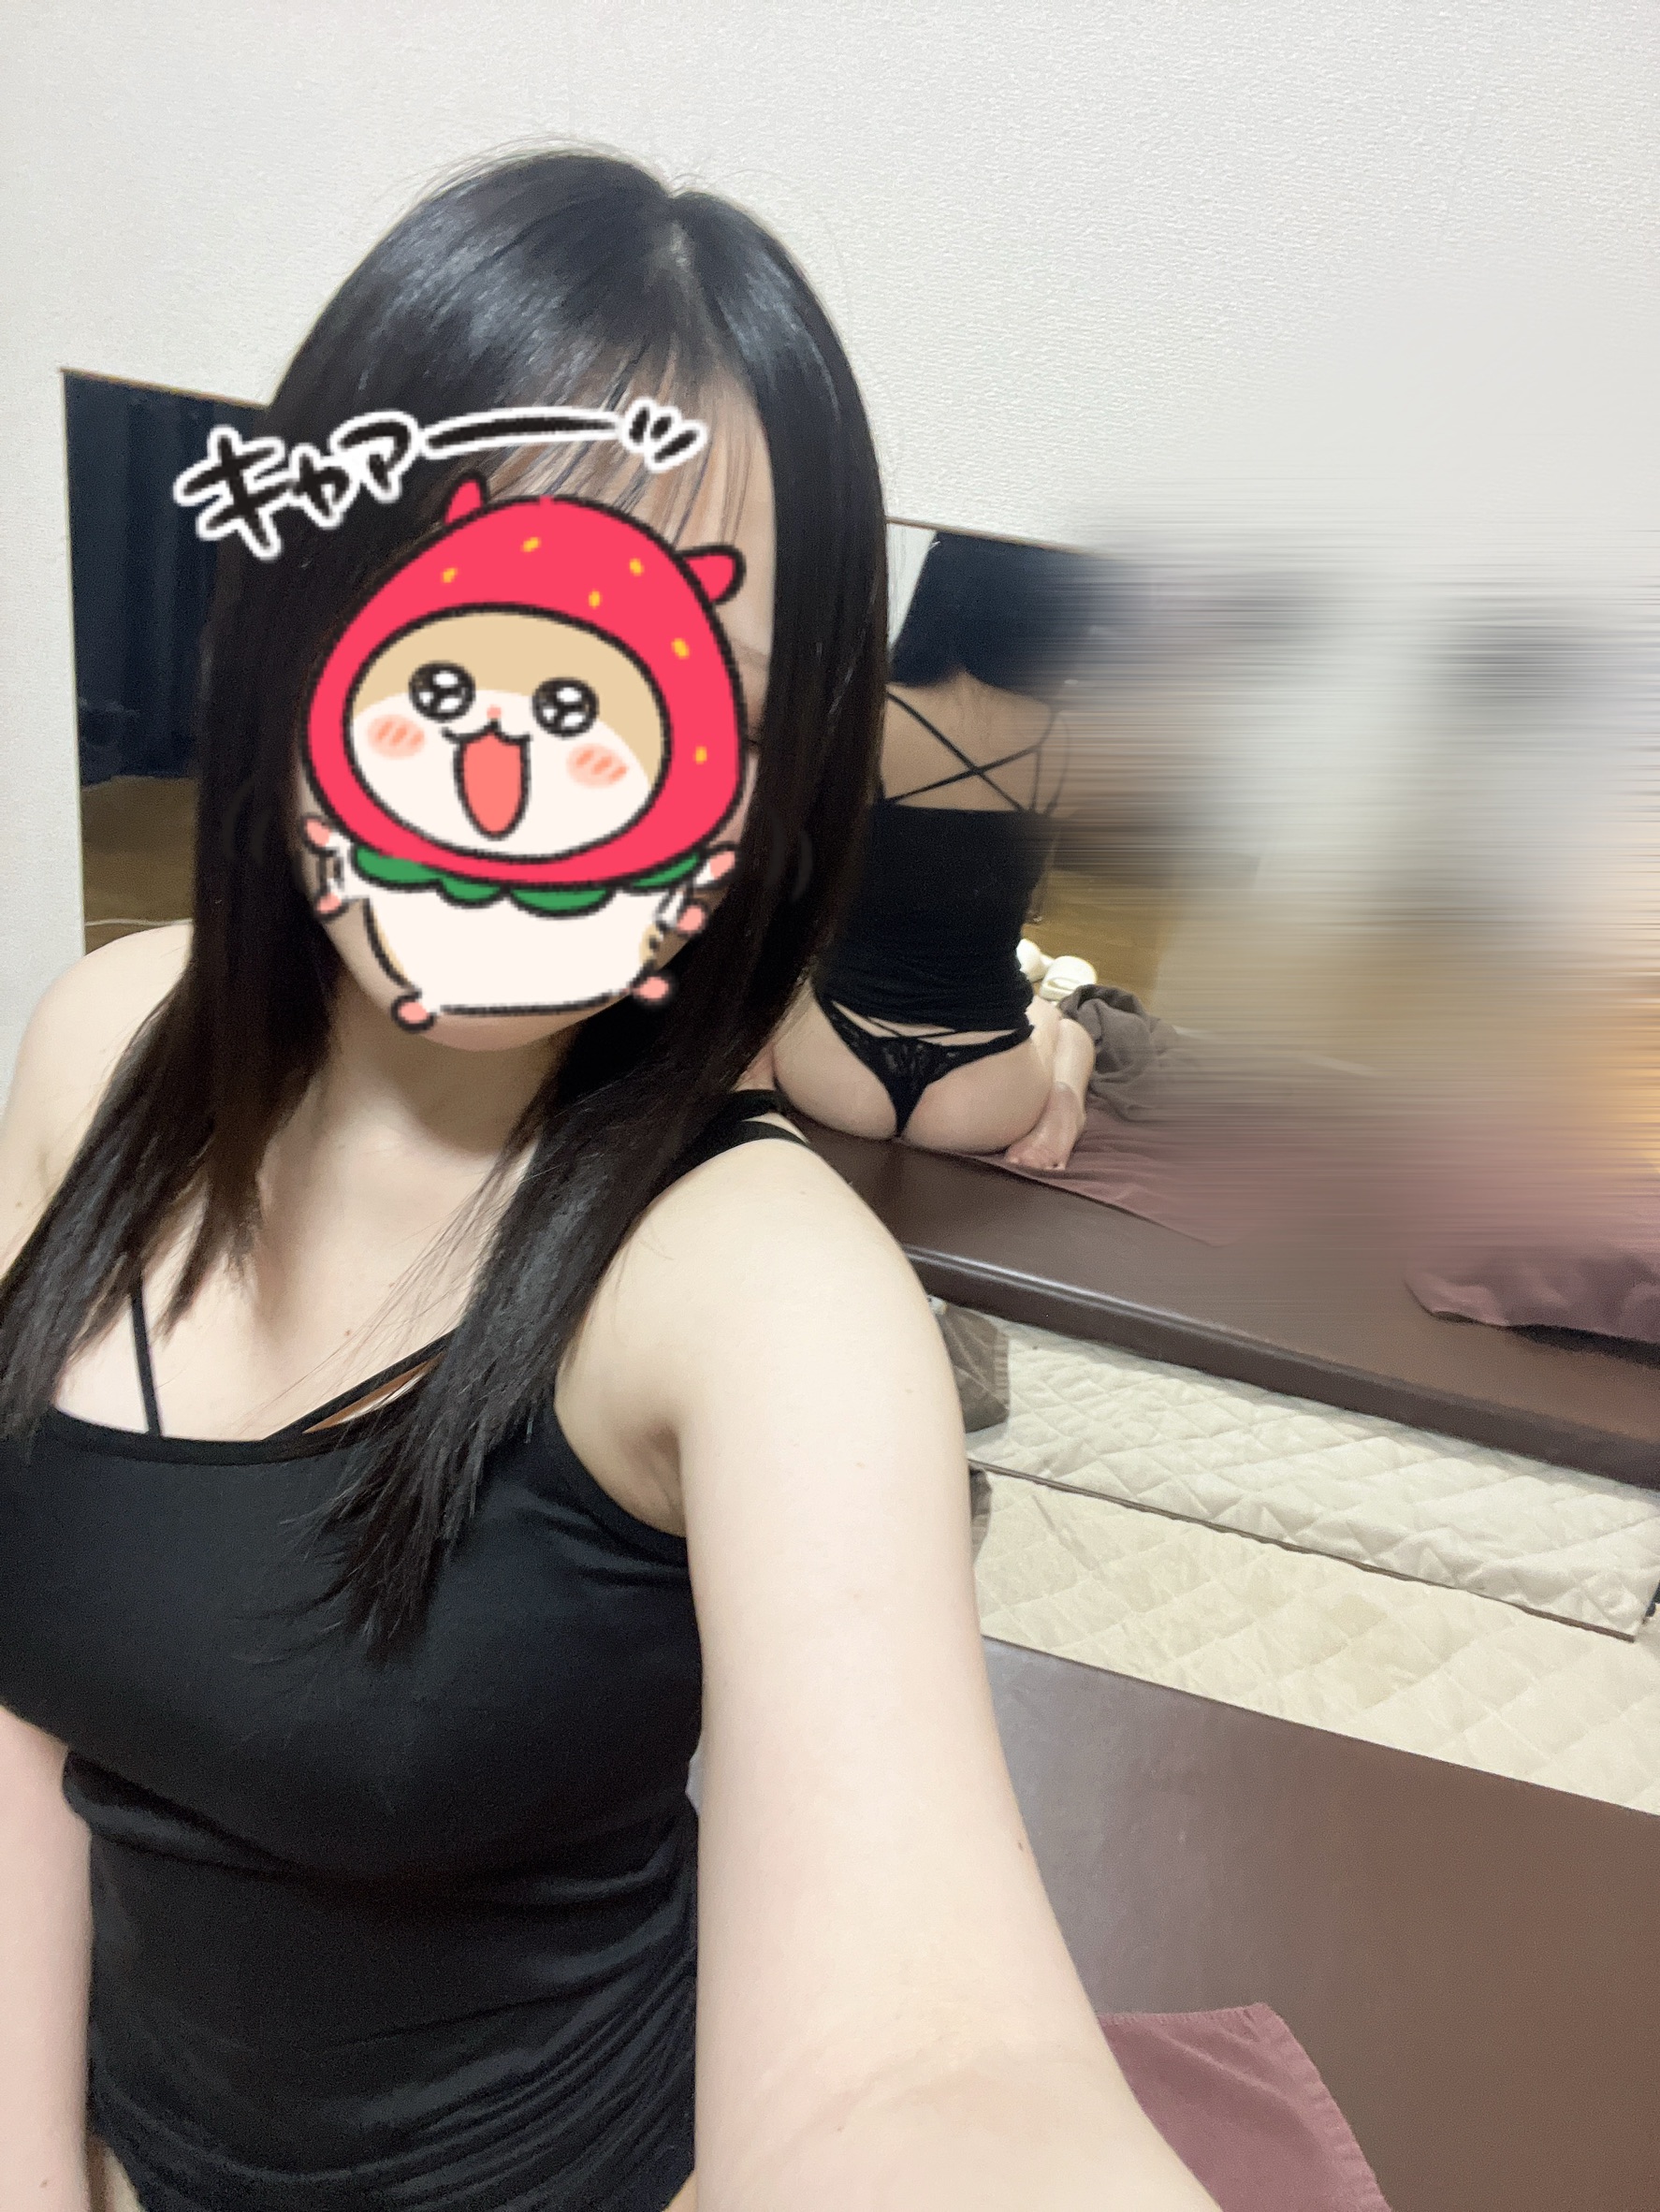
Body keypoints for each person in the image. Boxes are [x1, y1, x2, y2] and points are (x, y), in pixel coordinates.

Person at [0, 153, 1215, 2212]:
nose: (528, 785)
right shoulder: (104, 1040)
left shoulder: (762, 1288)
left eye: (658, 691)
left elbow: (932, 2066)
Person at [772, 531, 1106, 1171]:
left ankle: (753, 1085)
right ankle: (1061, 1116)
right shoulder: (1071, 744)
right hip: (985, 1098)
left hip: (836, 1076)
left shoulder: (861, 712)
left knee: (779, 986)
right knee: (1061, 1020)